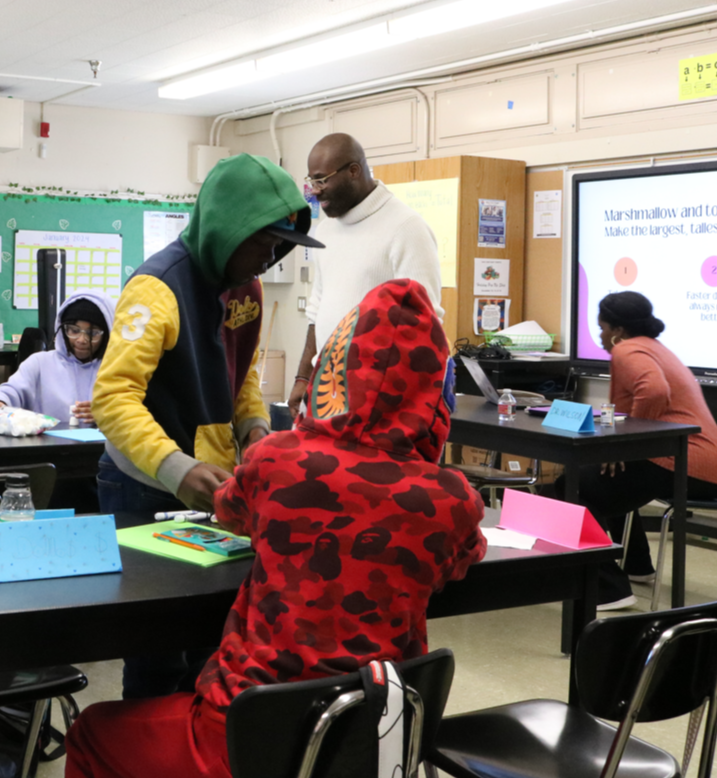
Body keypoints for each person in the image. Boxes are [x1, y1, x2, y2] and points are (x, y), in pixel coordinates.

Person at [63, 279, 487, 778]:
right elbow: (462, 557)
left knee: (91, 731)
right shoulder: (453, 499)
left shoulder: (277, 460)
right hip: (372, 741)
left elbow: (230, 510)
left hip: (243, 736)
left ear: (336, 366)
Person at [91, 152, 324, 699]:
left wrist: (255, 431)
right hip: (144, 483)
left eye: (280, 247)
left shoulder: (248, 288)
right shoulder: (156, 287)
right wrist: (174, 467)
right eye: (263, 243)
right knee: (156, 651)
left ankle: (196, 737)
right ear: (227, 228)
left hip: (213, 482)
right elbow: (113, 397)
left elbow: (240, 375)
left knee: (210, 642)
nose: (270, 259)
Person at [558, 291, 717, 610]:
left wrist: (628, 444)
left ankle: (608, 589)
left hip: (686, 461)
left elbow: (654, 390)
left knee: (570, 485)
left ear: (617, 330)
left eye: (602, 328)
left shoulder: (627, 349)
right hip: (699, 460)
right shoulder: (653, 347)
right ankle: (637, 566)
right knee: (610, 475)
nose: (600, 335)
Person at [288, 132, 444, 418]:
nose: (315, 191)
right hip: (325, 389)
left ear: (353, 171)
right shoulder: (326, 230)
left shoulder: (406, 228)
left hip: (377, 398)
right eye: (311, 181)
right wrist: (303, 377)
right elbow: (317, 310)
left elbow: (424, 326)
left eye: (322, 180)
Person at [0, 290, 114, 424]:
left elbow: (126, 409)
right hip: (47, 438)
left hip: (102, 438)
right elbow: (12, 389)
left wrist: (109, 415)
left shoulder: (115, 369)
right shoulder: (40, 363)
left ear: (108, 334)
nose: (81, 340)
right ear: (63, 329)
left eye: (93, 333)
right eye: (74, 330)